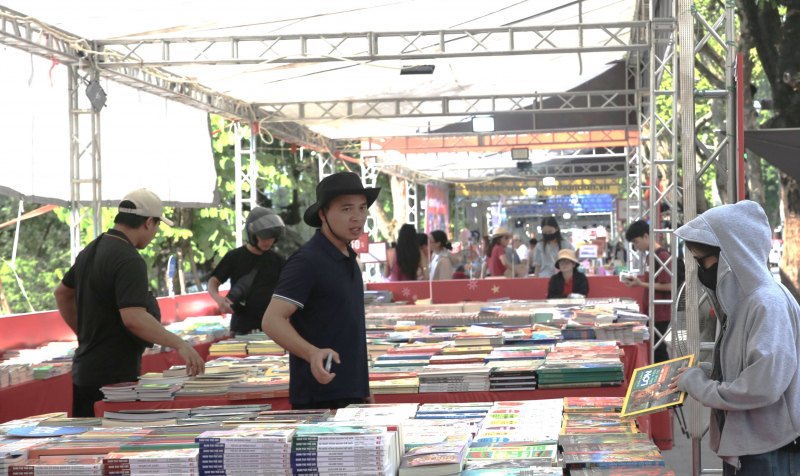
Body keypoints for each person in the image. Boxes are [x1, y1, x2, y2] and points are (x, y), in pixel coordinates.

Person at [667, 201, 800, 475]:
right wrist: (705, 371)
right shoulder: (743, 302)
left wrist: (702, 386)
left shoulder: (766, 303)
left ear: (733, 255)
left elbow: (762, 385)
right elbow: (745, 364)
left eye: (703, 260)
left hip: (770, 449)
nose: (702, 269)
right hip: (752, 445)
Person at [53, 189, 205, 417]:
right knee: (111, 447)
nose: (155, 233)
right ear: (149, 222)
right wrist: (180, 344)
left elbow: (62, 294)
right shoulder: (128, 258)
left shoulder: (92, 249)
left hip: (85, 370)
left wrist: (85, 333)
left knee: (87, 446)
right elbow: (133, 318)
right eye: (157, 227)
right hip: (113, 378)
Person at [261, 172, 378, 410]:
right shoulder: (308, 261)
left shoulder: (347, 256)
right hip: (320, 398)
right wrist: (312, 353)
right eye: (346, 209)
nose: (357, 217)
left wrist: (361, 385)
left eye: (362, 208)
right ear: (323, 214)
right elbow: (271, 320)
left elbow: (346, 326)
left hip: (350, 391)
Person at [208, 207, 286, 336]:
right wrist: (219, 299)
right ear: (252, 234)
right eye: (264, 237)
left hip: (271, 328)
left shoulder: (278, 260)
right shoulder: (234, 257)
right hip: (242, 328)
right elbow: (213, 281)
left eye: (271, 238)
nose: (268, 242)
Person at [622, 219, 672, 363]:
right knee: (654, 350)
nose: (636, 247)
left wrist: (641, 284)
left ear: (646, 236)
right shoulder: (650, 256)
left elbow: (669, 285)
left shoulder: (662, 256)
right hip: (652, 311)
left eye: (636, 242)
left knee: (659, 351)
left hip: (661, 312)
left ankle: (665, 381)